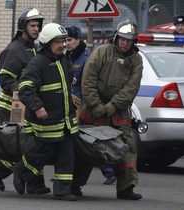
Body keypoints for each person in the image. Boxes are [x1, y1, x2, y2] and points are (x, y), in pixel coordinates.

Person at [73, 19, 143, 200]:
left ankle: (126, 188)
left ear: (133, 41)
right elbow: (88, 80)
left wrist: (113, 106)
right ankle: (74, 185)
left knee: (126, 149)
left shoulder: (136, 60)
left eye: (129, 40)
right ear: (116, 37)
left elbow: (132, 88)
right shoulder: (101, 52)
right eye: (122, 38)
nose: (125, 43)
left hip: (118, 112)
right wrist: (95, 105)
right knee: (86, 148)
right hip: (92, 110)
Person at [12, 23, 79, 201]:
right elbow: (25, 89)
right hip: (47, 121)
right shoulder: (38, 63)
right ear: (47, 43)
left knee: (67, 154)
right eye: (58, 41)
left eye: (63, 41)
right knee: (44, 153)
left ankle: (62, 190)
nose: (62, 45)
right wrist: (37, 106)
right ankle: (21, 170)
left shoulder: (63, 61)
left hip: (64, 120)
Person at [0, 8, 50, 194]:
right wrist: (24, 93)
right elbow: (6, 80)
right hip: (12, 107)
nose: (36, 29)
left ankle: (34, 183)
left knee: (31, 142)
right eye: (32, 25)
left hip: (28, 105)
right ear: (23, 26)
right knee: (20, 146)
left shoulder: (34, 48)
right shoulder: (13, 50)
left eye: (38, 25)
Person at [64, 25, 116, 187]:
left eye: (70, 40)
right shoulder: (68, 57)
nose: (67, 43)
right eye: (65, 40)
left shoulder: (85, 58)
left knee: (88, 143)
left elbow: (88, 84)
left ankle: (109, 172)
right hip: (69, 106)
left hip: (83, 108)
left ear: (79, 40)